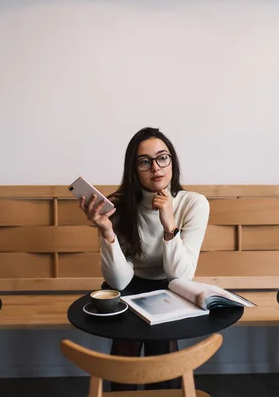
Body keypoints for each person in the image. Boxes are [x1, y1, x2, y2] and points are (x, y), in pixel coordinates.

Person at [79, 127, 210, 391]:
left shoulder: (193, 204)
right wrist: (107, 232)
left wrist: (169, 226)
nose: (156, 167)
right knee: (125, 349)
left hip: (170, 288)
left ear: (172, 161)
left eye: (163, 157)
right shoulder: (117, 208)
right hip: (129, 288)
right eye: (144, 162)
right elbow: (119, 281)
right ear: (134, 169)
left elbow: (180, 276)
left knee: (163, 355)